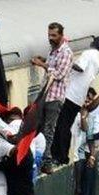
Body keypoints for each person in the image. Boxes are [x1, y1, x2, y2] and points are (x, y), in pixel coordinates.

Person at [51, 36, 99, 166]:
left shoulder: (88, 53)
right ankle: (62, 155)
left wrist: (67, 62)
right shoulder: (98, 62)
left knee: (61, 125)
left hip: (70, 94)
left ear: (92, 43)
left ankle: (60, 155)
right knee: (66, 125)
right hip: (79, 98)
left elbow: (80, 67)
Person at [30, 22, 74, 173]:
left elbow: (59, 74)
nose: (51, 38)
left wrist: (41, 64)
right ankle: (40, 157)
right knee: (39, 127)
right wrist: (44, 60)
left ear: (61, 35)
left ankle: (46, 162)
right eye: (49, 35)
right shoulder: (53, 51)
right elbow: (51, 65)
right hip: (46, 95)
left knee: (48, 129)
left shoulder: (66, 53)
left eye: (54, 35)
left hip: (55, 97)